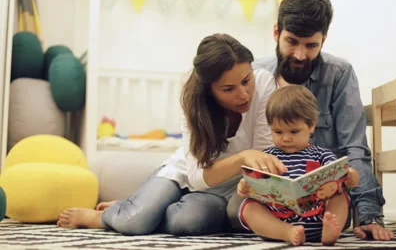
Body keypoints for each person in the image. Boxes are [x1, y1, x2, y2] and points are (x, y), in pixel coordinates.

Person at [56, 33, 287, 236]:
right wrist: (243, 157)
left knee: (184, 221)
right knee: (133, 222)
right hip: (187, 174)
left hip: (231, 188)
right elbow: (197, 177)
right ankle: (114, 215)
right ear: (209, 91)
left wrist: (248, 161)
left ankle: (140, 208)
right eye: (228, 89)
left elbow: (262, 155)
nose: (244, 94)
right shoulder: (194, 102)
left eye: (247, 80)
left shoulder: (264, 83)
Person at [228, 0, 395, 241]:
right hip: (271, 199)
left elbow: (355, 149)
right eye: (291, 41)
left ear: (323, 40)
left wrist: (369, 215)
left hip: (323, 200)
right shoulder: (254, 75)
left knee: (340, 200)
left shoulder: (339, 73)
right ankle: (284, 230)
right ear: (276, 32)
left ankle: (324, 231)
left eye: (311, 45)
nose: (300, 55)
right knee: (234, 210)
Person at [237, 85, 360, 246]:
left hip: (318, 218)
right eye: (278, 132)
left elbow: (344, 177)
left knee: (340, 196)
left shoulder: (321, 155)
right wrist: (245, 186)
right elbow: (254, 181)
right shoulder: (267, 156)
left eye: (294, 132)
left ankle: (329, 233)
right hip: (277, 220)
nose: (286, 138)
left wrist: (350, 176)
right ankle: (287, 232)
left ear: (311, 126)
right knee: (249, 207)